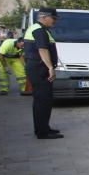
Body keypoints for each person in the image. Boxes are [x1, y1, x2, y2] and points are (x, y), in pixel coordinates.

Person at [23, 9, 62, 139]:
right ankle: (42, 132)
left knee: (42, 100)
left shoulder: (38, 28)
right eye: (54, 19)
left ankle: (43, 127)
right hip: (39, 69)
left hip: (36, 68)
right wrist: (50, 67)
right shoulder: (39, 30)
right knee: (43, 100)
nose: (55, 21)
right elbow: (42, 49)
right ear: (45, 17)